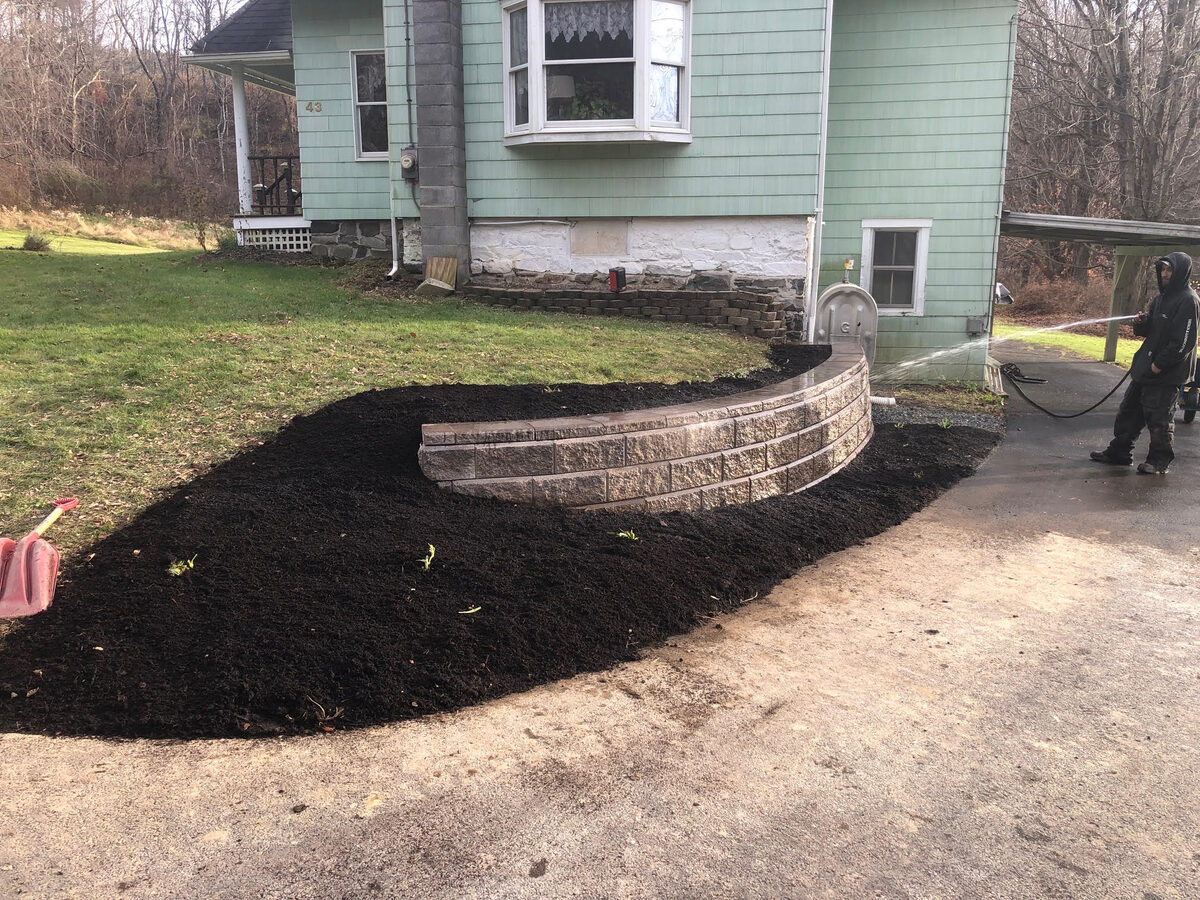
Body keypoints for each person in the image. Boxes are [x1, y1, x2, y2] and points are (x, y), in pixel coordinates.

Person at [1091, 251, 1200, 474]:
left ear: (1181, 272)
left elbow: (1184, 342)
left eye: (1170, 269)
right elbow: (1152, 331)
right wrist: (1141, 323)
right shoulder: (1161, 298)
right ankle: (1119, 452)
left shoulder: (1189, 300)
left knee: (1158, 417)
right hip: (1146, 366)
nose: (1165, 273)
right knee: (1128, 411)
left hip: (1166, 372)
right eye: (1163, 269)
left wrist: (1158, 366)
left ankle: (1159, 461)